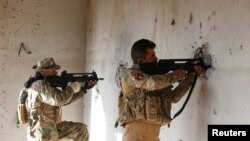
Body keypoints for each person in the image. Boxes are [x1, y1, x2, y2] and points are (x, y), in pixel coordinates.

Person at [116, 39, 204, 141]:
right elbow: (151, 83)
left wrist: (191, 76)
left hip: (154, 137)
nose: (156, 59)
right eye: (152, 56)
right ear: (140, 61)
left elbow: (173, 97)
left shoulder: (157, 80)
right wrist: (174, 76)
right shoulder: (129, 75)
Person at [18, 57, 97, 141]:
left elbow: (63, 101)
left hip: (50, 128)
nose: (56, 72)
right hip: (42, 134)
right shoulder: (40, 86)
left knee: (81, 130)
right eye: (52, 70)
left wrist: (83, 89)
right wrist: (71, 88)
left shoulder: (43, 85)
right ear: (43, 72)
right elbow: (60, 99)